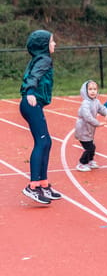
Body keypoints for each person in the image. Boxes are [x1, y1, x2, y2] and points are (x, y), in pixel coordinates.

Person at [20, 29, 62, 205]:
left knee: (46, 142)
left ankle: (43, 184)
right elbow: (34, 75)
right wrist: (30, 91)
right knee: (42, 142)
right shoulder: (44, 59)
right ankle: (33, 186)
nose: (54, 44)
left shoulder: (39, 59)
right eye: (52, 41)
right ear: (44, 45)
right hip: (31, 102)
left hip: (32, 103)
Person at [75, 80, 107, 171]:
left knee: (92, 146)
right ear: (85, 91)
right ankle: (82, 163)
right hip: (82, 129)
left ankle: (90, 160)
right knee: (89, 147)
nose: (93, 91)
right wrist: (97, 123)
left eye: (94, 89)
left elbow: (102, 108)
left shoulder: (96, 101)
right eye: (90, 89)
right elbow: (87, 117)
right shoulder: (85, 103)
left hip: (89, 130)